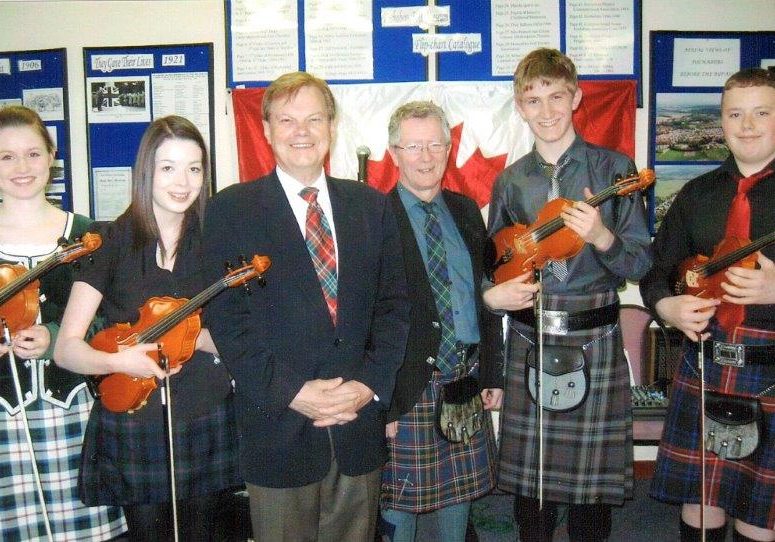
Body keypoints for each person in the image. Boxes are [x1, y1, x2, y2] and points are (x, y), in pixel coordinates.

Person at [202, 71, 410, 541]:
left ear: (332, 127)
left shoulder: (371, 207)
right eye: (287, 120)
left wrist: (367, 386)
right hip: (278, 427)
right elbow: (227, 321)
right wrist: (292, 391)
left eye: (314, 119)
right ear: (267, 129)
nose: (302, 131)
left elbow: (394, 308)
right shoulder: (230, 210)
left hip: (357, 426)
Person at [484, 48, 652, 541]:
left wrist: (601, 236)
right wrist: (499, 286)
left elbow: (639, 264)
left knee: (590, 493)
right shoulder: (510, 180)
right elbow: (494, 260)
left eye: (557, 97)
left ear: (576, 98)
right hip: (529, 334)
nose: (547, 111)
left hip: (594, 335)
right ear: (520, 107)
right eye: (533, 100)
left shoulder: (614, 169)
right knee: (531, 489)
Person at [54, 115, 241, 541]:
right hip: (135, 417)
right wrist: (119, 361)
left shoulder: (217, 241)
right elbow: (66, 349)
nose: (183, 182)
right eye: (168, 167)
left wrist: (194, 339)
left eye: (194, 168)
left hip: (206, 411)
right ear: (146, 172)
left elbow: (238, 337)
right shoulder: (110, 240)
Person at [640, 68, 775, 542]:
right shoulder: (697, 194)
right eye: (735, 114)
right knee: (701, 505)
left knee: (760, 516)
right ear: (721, 121)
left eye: (762, 113)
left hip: (771, 369)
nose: (747, 125)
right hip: (706, 363)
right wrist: (666, 307)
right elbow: (655, 271)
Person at [0, 105, 126, 539]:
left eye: (33, 154)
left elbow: (112, 319)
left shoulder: (87, 234)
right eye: (6, 156)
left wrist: (56, 337)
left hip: (73, 412)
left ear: (52, 156)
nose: (21, 167)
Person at [378, 101, 502, 542]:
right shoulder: (375, 217)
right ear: (394, 152)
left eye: (435, 145)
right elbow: (368, 319)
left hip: (464, 377)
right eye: (413, 146)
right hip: (407, 386)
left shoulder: (466, 211)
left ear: (449, 149)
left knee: (458, 499)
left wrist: (492, 373)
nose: (426, 157)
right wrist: (383, 400)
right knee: (400, 503)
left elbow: (483, 295)